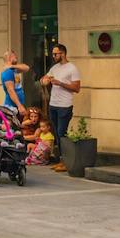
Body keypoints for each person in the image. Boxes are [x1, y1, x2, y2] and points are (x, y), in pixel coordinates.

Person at [42, 43, 81, 172]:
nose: (53, 56)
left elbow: (76, 88)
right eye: (53, 54)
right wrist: (44, 80)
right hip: (53, 104)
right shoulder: (54, 68)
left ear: (63, 53)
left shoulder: (72, 68)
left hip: (65, 105)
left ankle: (66, 161)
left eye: (55, 54)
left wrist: (60, 83)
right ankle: (61, 160)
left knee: (61, 133)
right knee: (57, 134)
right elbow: (45, 78)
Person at [0, 50, 29, 116]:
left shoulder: (13, 69)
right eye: (15, 56)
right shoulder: (7, 72)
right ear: (10, 57)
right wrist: (19, 106)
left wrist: (12, 66)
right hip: (12, 107)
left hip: (17, 105)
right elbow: (11, 90)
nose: (17, 58)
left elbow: (26, 68)